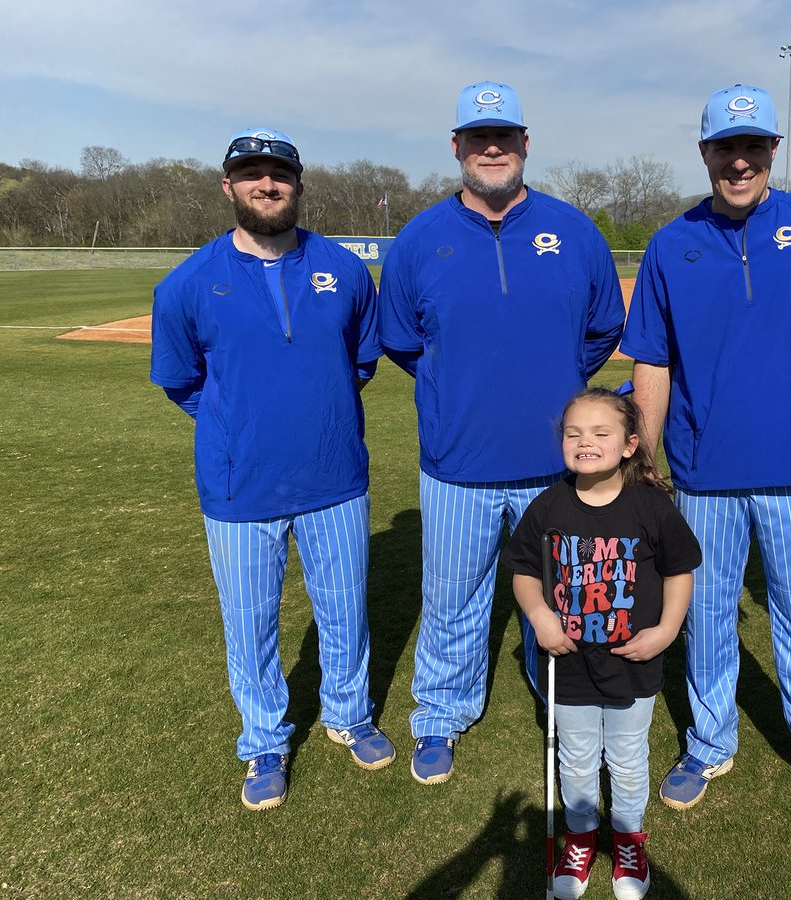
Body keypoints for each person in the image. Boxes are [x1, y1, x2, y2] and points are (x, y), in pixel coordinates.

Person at [621, 85, 791, 835]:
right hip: (704, 477)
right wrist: (643, 457)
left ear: (773, 150)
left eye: (753, 147)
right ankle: (709, 744)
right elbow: (651, 359)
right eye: (724, 148)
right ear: (705, 152)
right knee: (707, 619)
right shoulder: (672, 243)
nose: (739, 161)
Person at [378, 82, 626, 785]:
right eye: (478, 137)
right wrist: (459, 384)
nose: (494, 148)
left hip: (557, 465)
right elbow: (401, 339)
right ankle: (440, 715)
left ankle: (567, 700)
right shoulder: (420, 240)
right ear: (456, 146)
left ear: (525, 144)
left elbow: (604, 326)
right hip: (457, 464)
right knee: (452, 597)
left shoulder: (573, 230)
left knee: (564, 597)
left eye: (506, 136)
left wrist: (552, 381)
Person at [150, 128, 395, 811]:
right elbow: (181, 381)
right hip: (237, 488)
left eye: (278, 173)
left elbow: (361, 362)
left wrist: (313, 418)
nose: (267, 184)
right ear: (228, 186)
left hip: (334, 478)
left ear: (298, 183)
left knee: (344, 611)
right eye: (251, 174)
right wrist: (243, 426)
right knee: (250, 622)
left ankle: (349, 715)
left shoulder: (343, 269)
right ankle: (264, 739)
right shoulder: (186, 285)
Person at [503, 387, 701, 900]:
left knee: (629, 755)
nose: (585, 442)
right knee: (576, 755)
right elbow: (523, 569)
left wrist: (666, 630)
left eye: (600, 433)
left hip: (634, 661)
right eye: (574, 433)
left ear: (630, 444)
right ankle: (581, 837)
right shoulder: (548, 506)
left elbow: (681, 569)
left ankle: (630, 838)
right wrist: (540, 615)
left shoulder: (651, 506)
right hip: (567, 663)